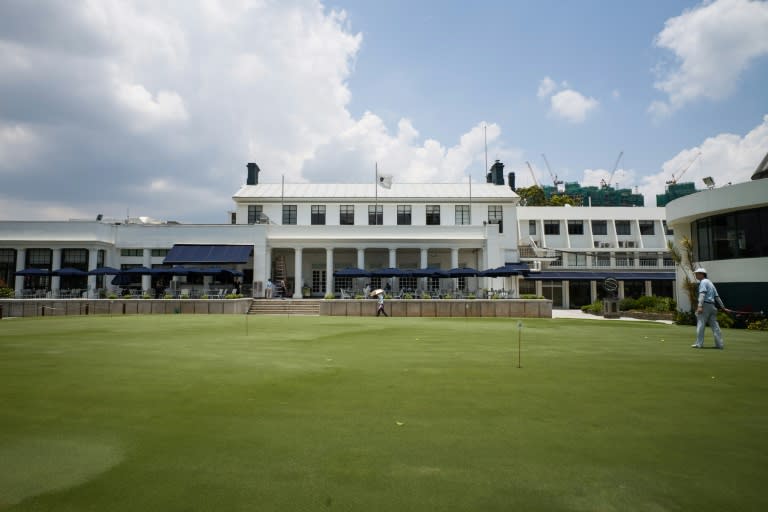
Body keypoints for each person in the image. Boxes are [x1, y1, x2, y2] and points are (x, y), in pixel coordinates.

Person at [692, 267, 727, 349]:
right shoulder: (710, 283)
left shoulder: (703, 282)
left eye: (697, 274)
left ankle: (699, 344)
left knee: (700, 325)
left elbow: (702, 294)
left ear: (701, 274)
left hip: (705, 305)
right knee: (715, 327)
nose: (696, 275)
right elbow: (717, 297)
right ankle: (719, 344)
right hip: (712, 306)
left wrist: (700, 306)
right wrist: (723, 307)